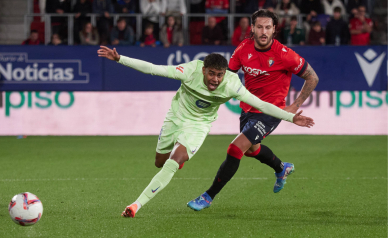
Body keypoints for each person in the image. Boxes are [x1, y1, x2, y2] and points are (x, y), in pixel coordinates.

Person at [97, 45, 314, 218]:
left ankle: (136, 205)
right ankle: (175, 161)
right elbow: (154, 68)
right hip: (175, 118)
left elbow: (262, 104)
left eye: (220, 75)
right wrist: (120, 59)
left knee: (176, 161)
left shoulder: (231, 84)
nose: (215, 80)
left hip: (198, 126)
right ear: (203, 69)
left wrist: (290, 116)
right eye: (211, 74)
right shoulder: (190, 70)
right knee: (160, 162)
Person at [187, 9, 319, 211]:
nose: (264, 31)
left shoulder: (285, 55)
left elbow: (313, 77)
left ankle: (207, 196)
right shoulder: (243, 49)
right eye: (260, 27)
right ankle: (281, 168)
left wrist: (294, 106)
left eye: (268, 27)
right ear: (252, 29)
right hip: (248, 108)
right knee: (252, 150)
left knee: (235, 148)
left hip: (271, 111)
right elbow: (227, 77)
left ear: (274, 29)